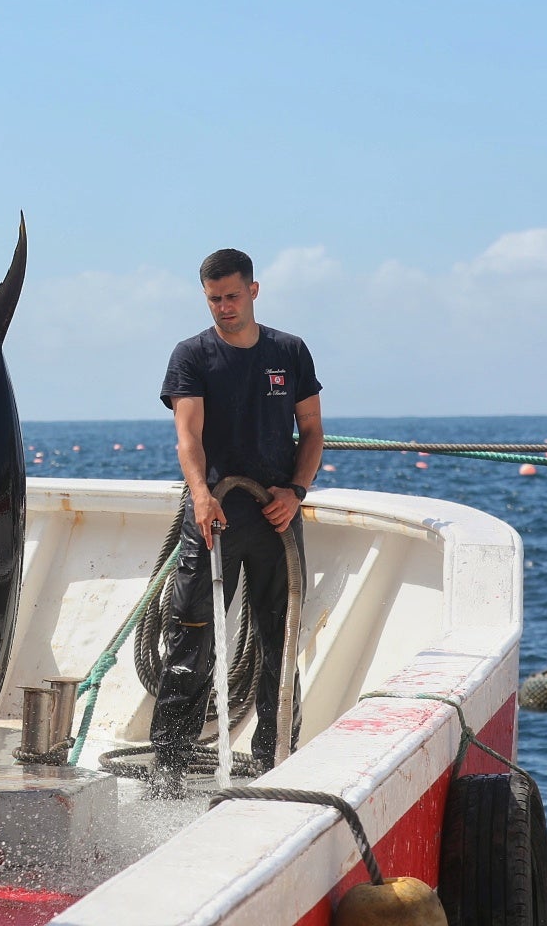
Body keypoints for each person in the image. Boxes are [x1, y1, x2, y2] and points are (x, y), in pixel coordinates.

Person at [148, 247, 323, 787]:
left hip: (276, 518)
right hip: (214, 515)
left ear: (253, 290)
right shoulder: (191, 355)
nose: (224, 307)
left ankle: (274, 762)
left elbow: (312, 431)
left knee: (279, 644)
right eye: (213, 299)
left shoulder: (289, 351)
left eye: (231, 296)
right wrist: (201, 495)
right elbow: (188, 436)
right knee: (190, 639)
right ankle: (169, 772)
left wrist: (296, 492)